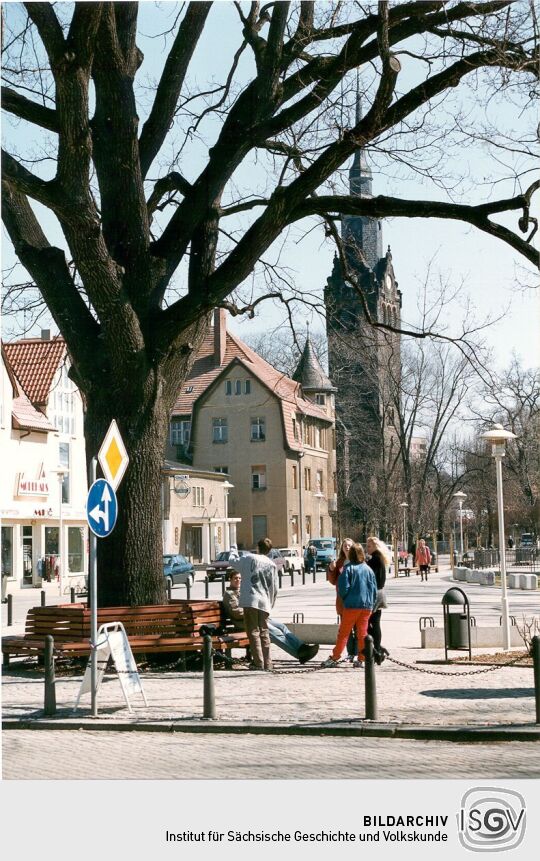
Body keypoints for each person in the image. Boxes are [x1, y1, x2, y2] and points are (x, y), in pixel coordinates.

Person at [223, 571, 319, 663]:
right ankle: (299, 654)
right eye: (235, 578)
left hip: (257, 617)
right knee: (274, 632)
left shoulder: (243, 591)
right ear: (230, 580)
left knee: (282, 627)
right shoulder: (229, 594)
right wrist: (255, 612)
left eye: (240, 578)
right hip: (246, 622)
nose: (238, 580)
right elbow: (235, 612)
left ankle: (302, 647)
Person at [321, 543, 377, 668]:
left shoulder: (348, 568)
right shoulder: (368, 569)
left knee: (344, 633)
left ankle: (335, 656)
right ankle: (362, 658)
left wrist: (346, 598)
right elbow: (374, 589)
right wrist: (371, 604)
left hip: (352, 605)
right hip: (366, 606)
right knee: (362, 633)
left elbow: (342, 588)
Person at [228, 538, 278, 671]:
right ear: (269, 550)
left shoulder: (249, 558)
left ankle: (258, 662)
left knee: (253, 632)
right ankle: (268, 663)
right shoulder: (272, 565)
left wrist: (233, 548)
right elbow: (274, 587)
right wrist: (270, 603)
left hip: (251, 600)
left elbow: (232, 561)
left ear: (257, 547)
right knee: (264, 632)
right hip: (265, 601)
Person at [327, 537, 355, 660]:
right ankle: (350, 653)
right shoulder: (339, 562)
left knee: (358, 629)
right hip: (343, 601)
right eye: (345, 546)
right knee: (347, 629)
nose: (347, 547)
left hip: (356, 600)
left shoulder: (358, 561)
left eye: (349, 545)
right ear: (342, 549)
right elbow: (333, 581)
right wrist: (331, 570)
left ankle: (359, 653)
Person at [365, 536, 391, 665]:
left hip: (375, 594)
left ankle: (376, 649)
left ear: (375, 546)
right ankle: (378, 648)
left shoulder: (375, 559)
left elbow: (371, 578)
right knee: (375, 622)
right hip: (380, 593)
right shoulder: (379, 557)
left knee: (371, 623)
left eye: (369, 546)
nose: (367, 548)